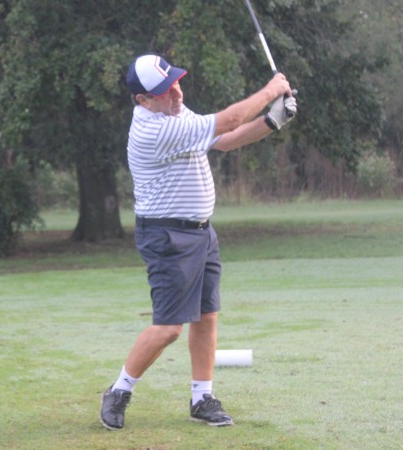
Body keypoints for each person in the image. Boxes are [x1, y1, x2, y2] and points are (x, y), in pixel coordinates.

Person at [99, 54, 297, 430]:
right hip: (167, 236)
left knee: (207, 318)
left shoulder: (176, 112)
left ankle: (201, 397)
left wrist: (272, 121)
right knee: (169, 327)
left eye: (175, 82)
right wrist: (271, 91)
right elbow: (229, 120)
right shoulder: (153, 130)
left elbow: (225, 140)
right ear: (143, 100)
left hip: (201, 232)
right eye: (165, 90)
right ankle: (118, 391)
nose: (176, 92)